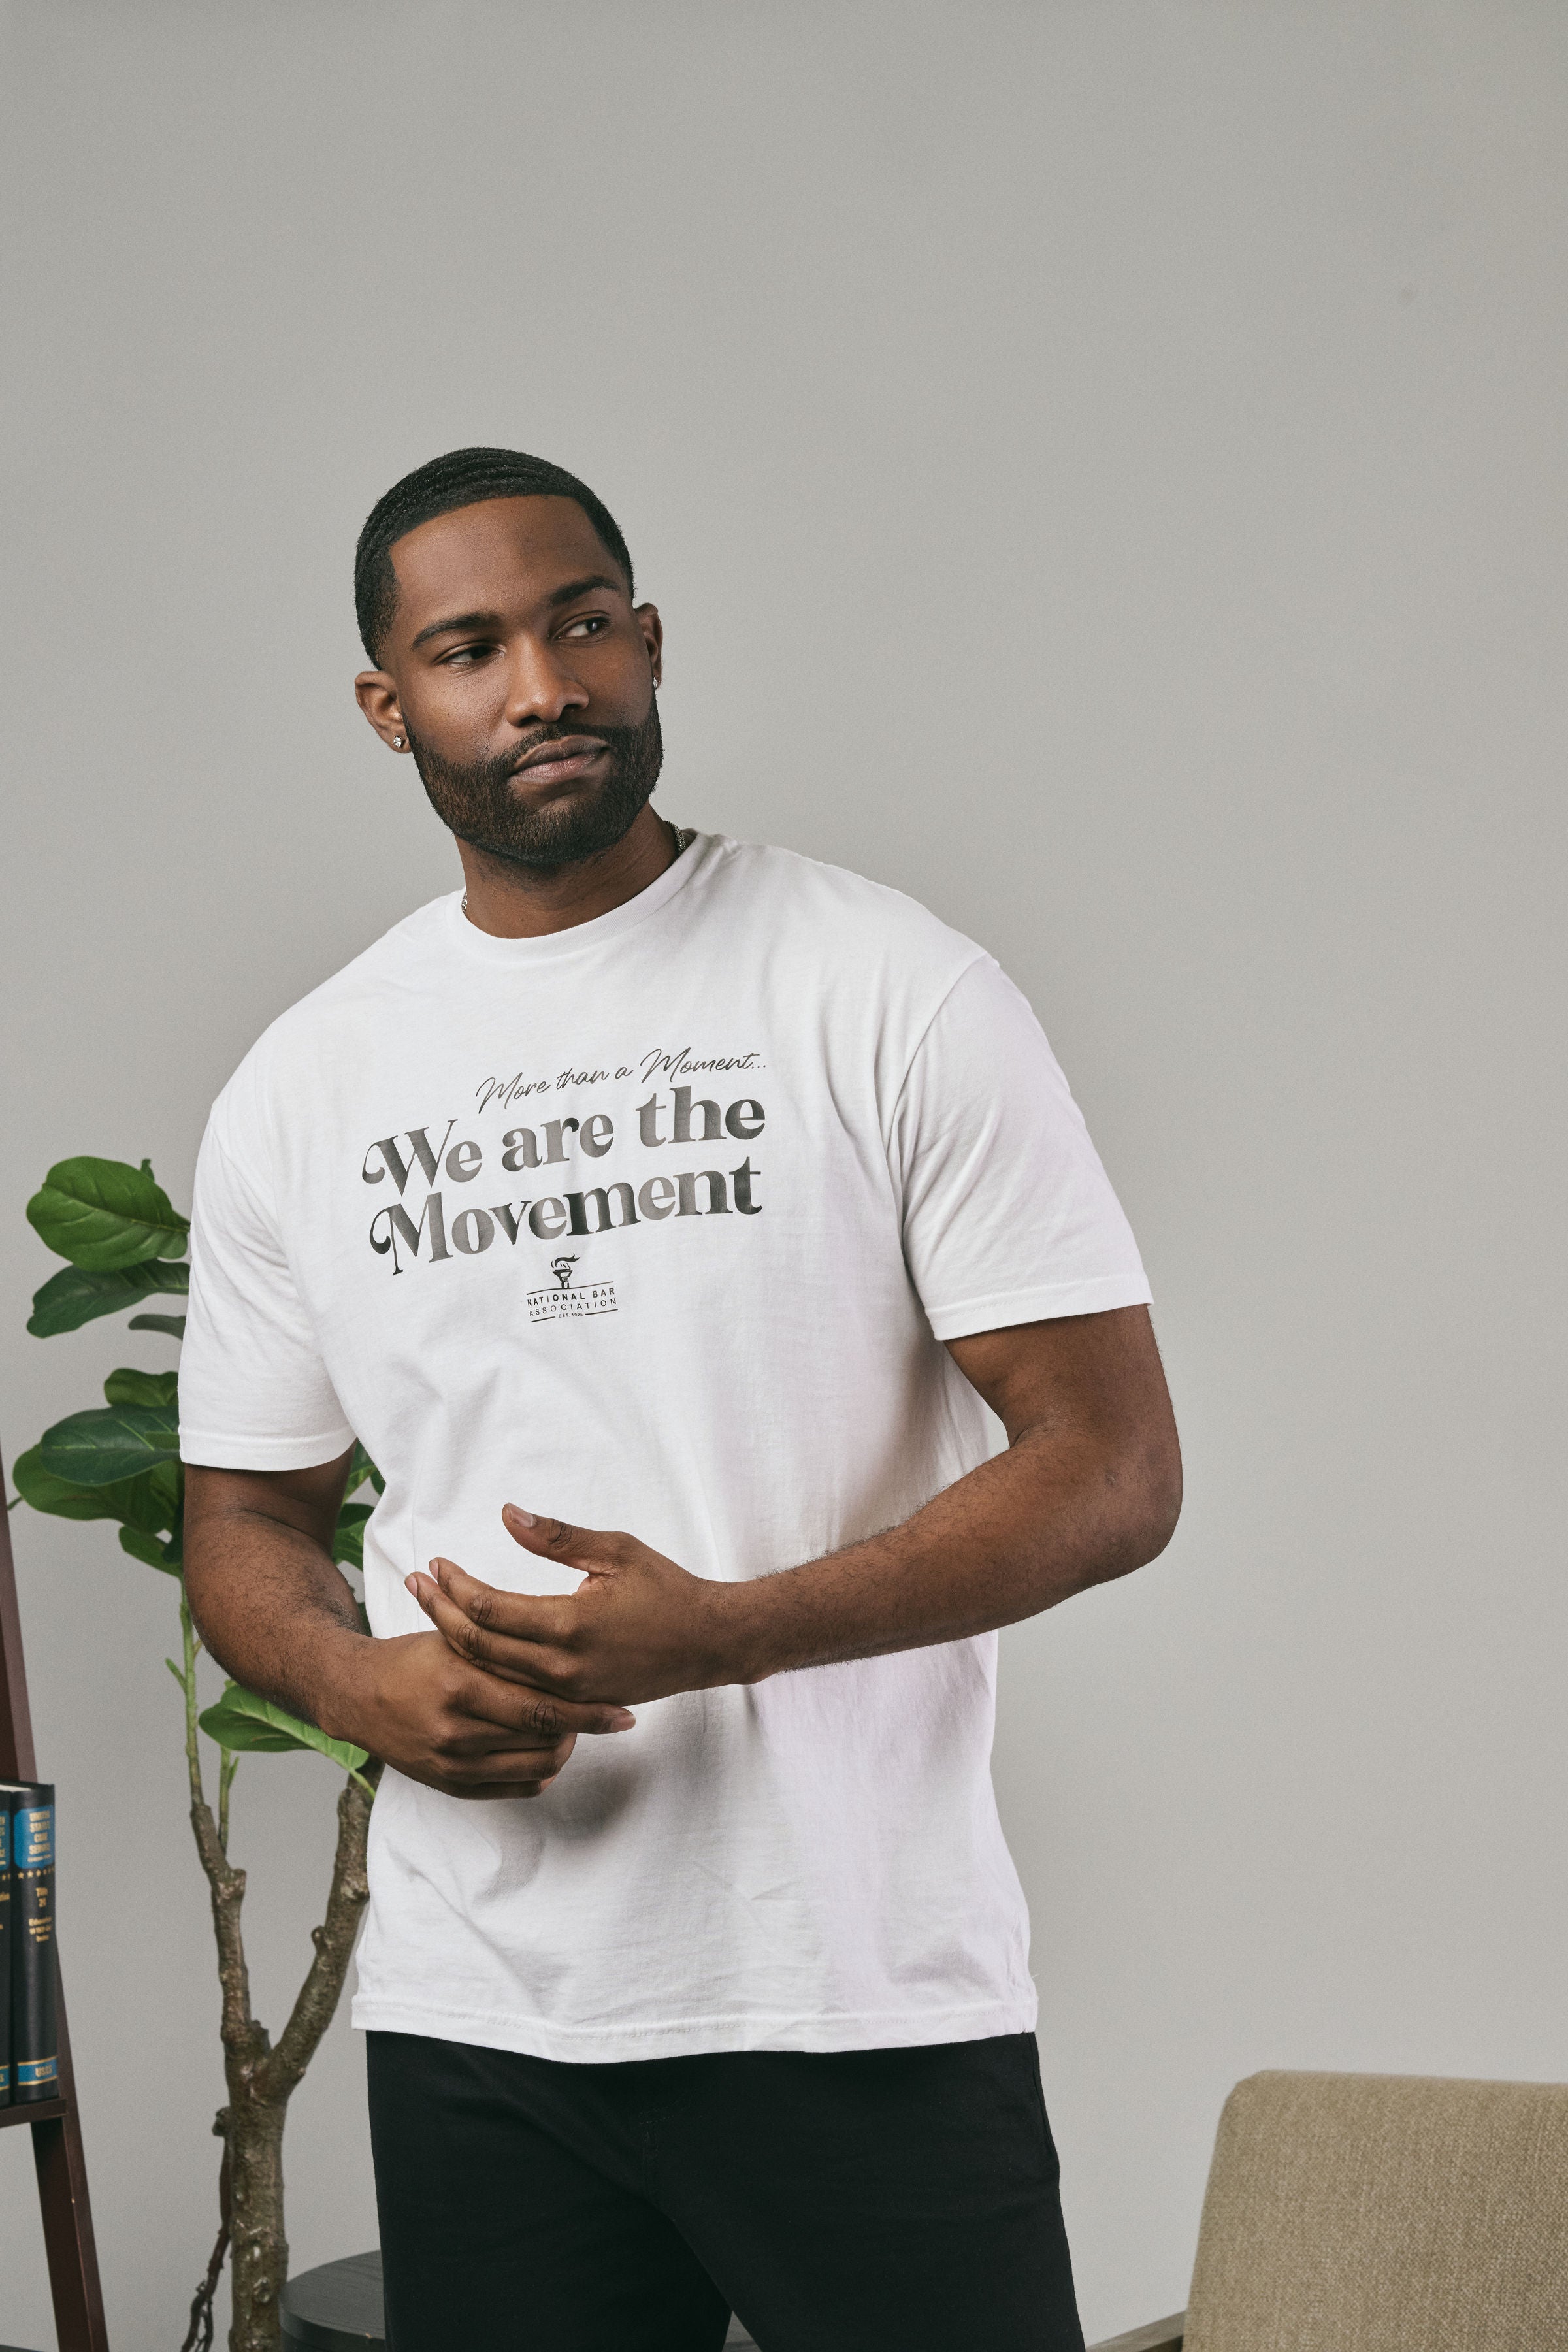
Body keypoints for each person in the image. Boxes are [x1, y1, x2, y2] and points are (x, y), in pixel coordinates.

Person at [180, 446, 1181, 2352]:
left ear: (647, 642)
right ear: (393, 705)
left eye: (579, 624)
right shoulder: (305, 1088)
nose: (541, 684)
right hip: (489, 2021)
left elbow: (1118, 1468)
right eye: (471, 648)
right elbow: (246, 1518)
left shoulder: (884, 988)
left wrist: (731, 1634)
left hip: (855, 1988)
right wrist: (355, 1683)